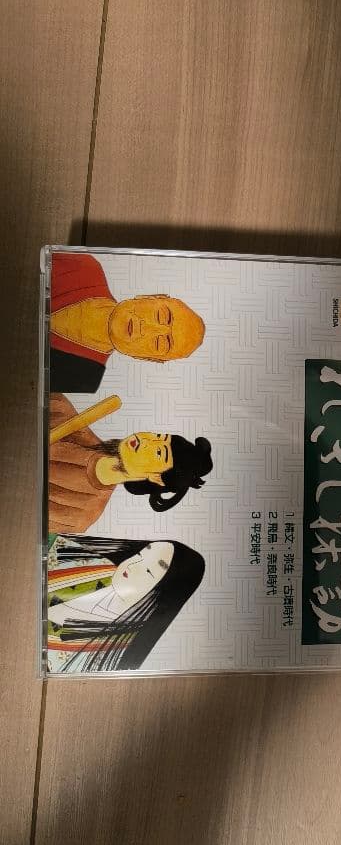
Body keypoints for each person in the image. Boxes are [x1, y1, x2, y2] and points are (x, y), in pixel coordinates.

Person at [49, 392, 213, 533]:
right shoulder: (59, 410)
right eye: (158, 436)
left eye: (158, 452)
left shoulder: (79, 516)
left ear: (155, 478)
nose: (146, 441)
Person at [49, 251, 205, 393]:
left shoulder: (84, 381)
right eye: (162, 316)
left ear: (145, 358)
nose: (146, 328)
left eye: (160, 343)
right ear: (149, 297)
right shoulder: (84, 267)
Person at [46, 534, 205, 673]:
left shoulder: (108, 653)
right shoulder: (84, 560)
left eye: (148, 571)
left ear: (162, 593)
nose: (132, 565)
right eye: (140, 554)